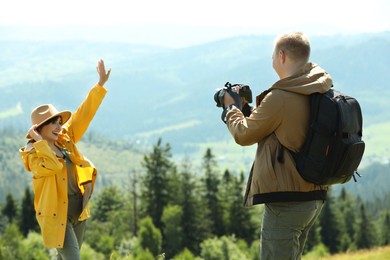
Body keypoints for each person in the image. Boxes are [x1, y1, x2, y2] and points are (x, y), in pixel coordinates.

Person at [220, 32, 331, 259]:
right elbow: (281, 128)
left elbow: (243, 134)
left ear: (281, 56)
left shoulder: (281, 96)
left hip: (286, 201)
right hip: (311, 196)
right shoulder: (314, 87)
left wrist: (231, 108)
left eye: (273, 54)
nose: (271, 59)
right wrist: (249, 111)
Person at [19, 59, 111, 259]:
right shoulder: (34, 155)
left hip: (79, 212)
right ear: (38, 128)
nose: (59, 126)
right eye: (53, 122)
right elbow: (51, 166)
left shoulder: (64, 139)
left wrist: (100, 85)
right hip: (56, 217)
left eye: (59, 121)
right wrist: (38, 142)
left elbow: (82, 115)